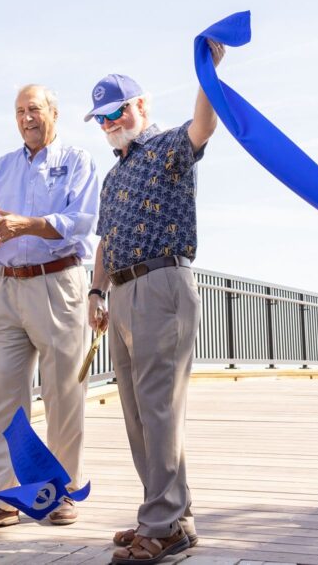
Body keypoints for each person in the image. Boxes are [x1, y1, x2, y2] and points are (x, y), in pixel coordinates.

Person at [85, 40, 225, 564]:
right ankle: (171, 517)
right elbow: (103, 241)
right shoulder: (113, 174)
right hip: (120, 293)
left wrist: (208, 74)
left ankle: (161, 524)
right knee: (140, 414)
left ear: (141, 106)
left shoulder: (169, 146)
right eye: (99, 118)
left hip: (162, 283)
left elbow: (204, 127)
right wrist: (97, 292)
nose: (108, 123)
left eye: (115, 111)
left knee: (159, 408)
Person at [0, 84, 99, 530]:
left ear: (53, 113)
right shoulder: (0, 168)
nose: (26, 118)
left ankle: (59, 492)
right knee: (1, 396)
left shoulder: (77, 161)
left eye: (34, 109)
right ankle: (3, 497)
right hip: (6, 290)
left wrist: (31, 225)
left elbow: (83, 222)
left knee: (63, 393)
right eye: (19, 111)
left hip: (57, 284)